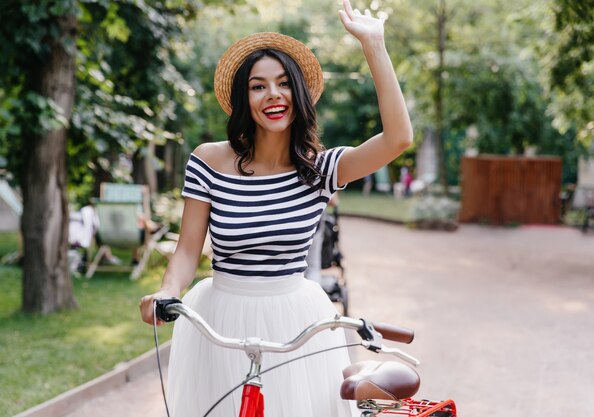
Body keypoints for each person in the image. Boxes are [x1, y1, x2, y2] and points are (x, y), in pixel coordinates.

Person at [139, 1, 412, 415]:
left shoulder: (319, 169)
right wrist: (167, 292)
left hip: (296, 316)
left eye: (284, 83)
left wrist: (373, 43)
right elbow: (187, 250)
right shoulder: (208, 161)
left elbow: (397, 139)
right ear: (243, 97)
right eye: (258, 86)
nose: (273, 95)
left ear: (298, 93)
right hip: (219, 315)